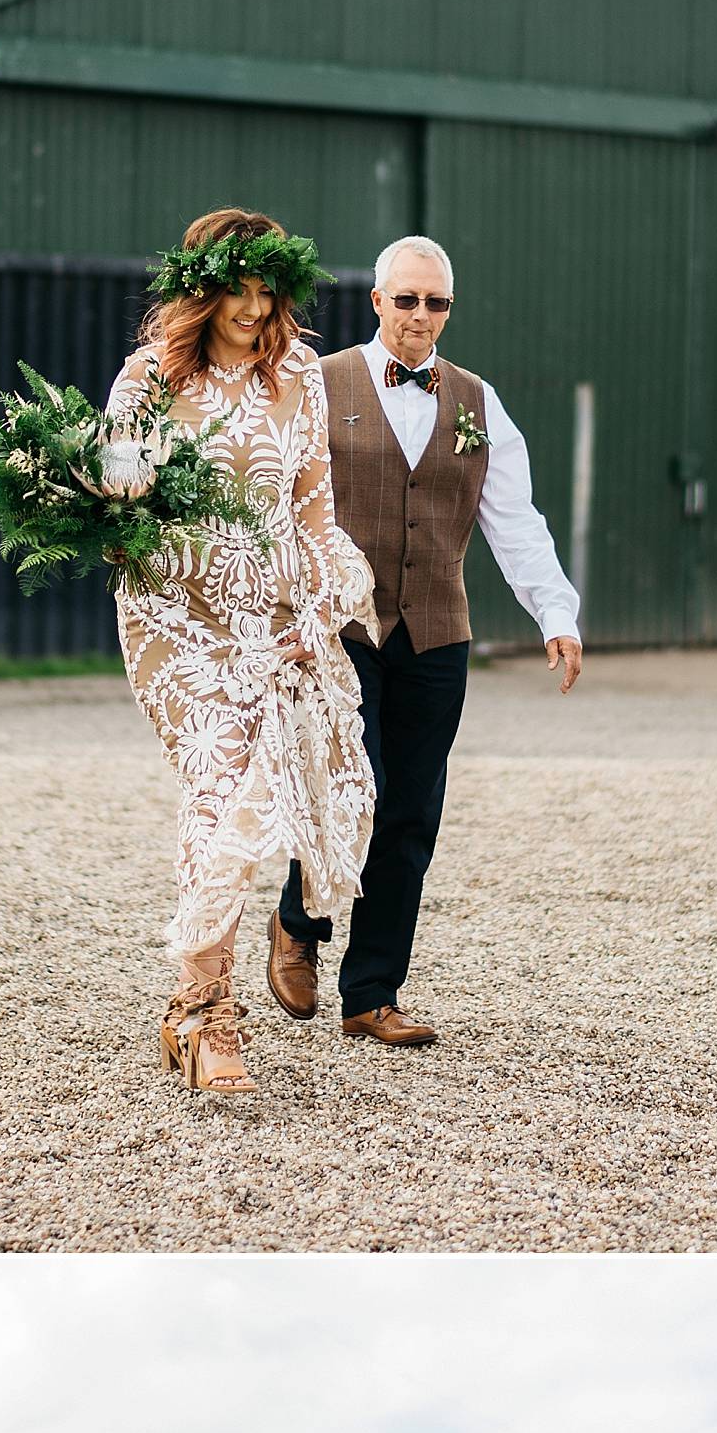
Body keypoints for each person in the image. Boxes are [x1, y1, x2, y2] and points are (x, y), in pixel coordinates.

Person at [273, 237, 582, 1048]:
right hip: (340, 625)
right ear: (376, 301)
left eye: (435, 303)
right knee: (348, 784)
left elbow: (514, 520)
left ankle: (371, 993)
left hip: (437, 632)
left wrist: (555, 613)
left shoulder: (478, 403)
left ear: (449, 309)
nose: (420, 316)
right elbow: (274, 493)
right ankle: (296, 921)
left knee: (412, 812)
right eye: (405, 299)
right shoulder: (318, 382)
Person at [107, 211, 378, 1096]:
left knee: (241, 794)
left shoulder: (299, 371)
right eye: (241, 287)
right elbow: (115, 508)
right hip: (174, 622)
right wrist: (113, 493)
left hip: (270, 623)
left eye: (271, 291)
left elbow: (313, 513)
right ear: (203, 285)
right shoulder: (149, 377)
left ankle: (194, 1009)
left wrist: (324, 604)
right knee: (222, 777)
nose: (256, 307)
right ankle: (210, 1012)